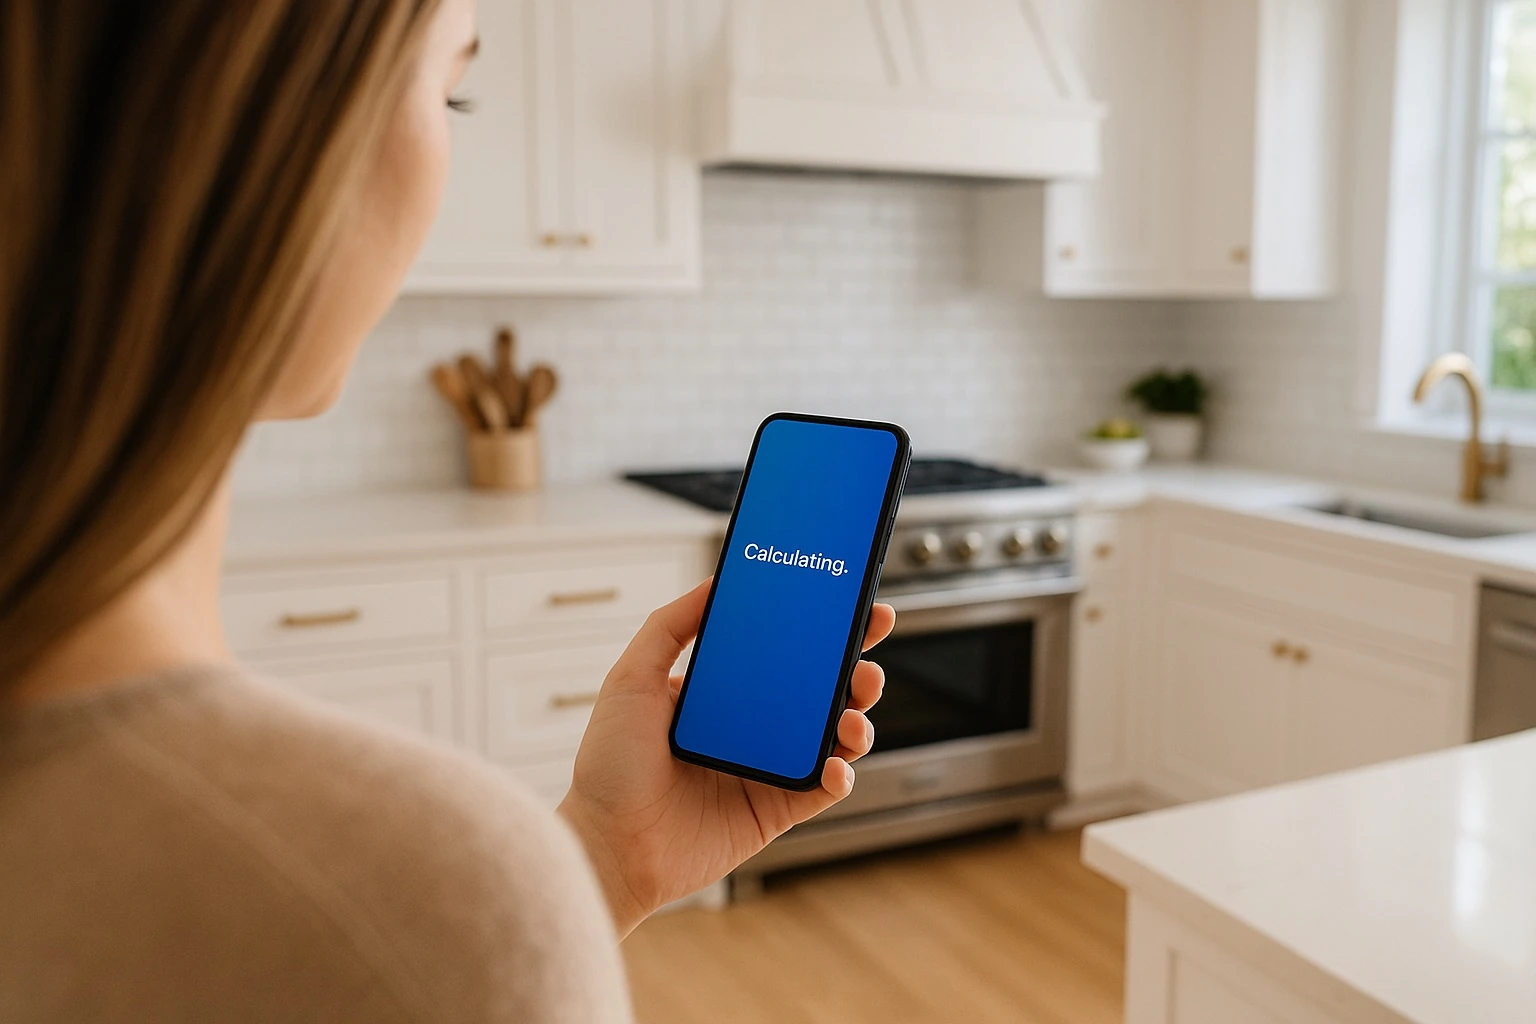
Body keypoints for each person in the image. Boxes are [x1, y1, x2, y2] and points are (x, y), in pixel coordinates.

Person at [0, 1, 892, 1020]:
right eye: (448, 90)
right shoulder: (425, 897)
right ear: (270, 129)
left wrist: (604, 858)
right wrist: (518, 911)